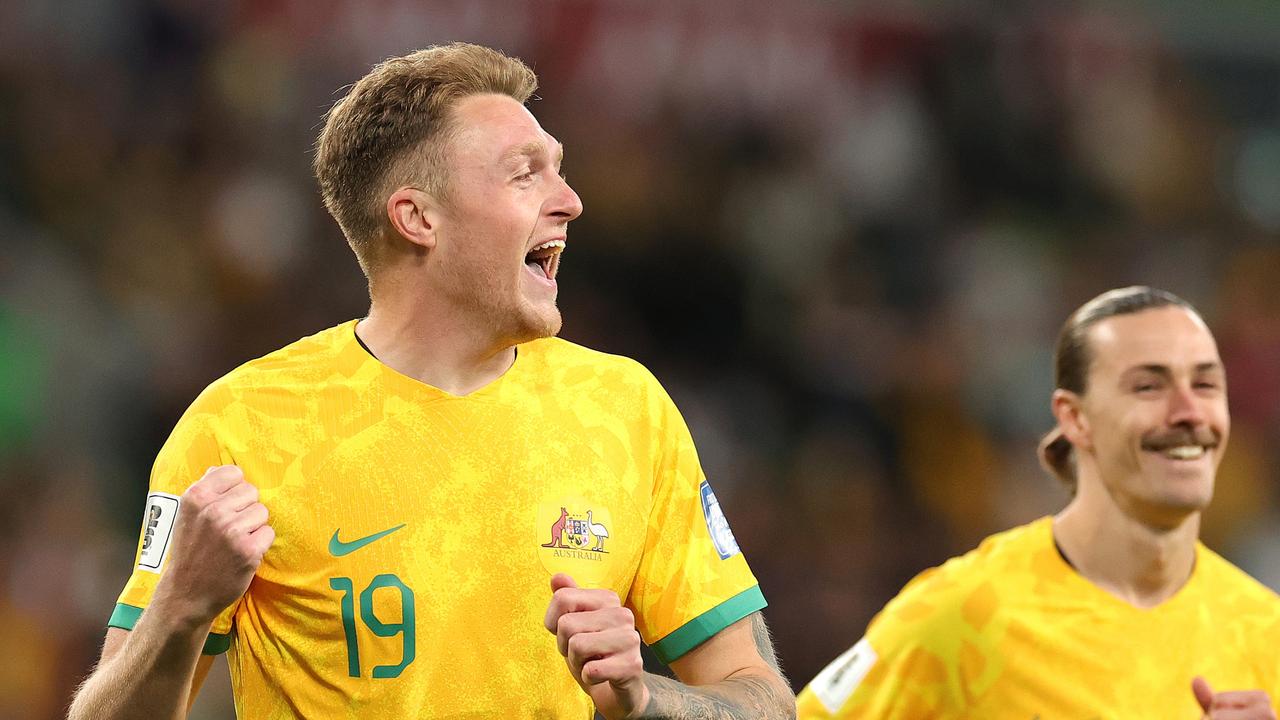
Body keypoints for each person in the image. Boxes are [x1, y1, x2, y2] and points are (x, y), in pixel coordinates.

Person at [68, 43, 794, 719]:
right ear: (418, 217)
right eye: (525, 172)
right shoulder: (242, 428)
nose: (570, 200)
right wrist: (180, 610)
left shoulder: (627, 410)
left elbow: (763, 698)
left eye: (560, 167)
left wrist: (644, 699)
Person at [797, 286, 1280, 719]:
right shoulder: (962, 616)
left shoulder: (1266, 632)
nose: (1189, 412)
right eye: (1148, 386)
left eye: (1205, 384)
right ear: (1075, 418)